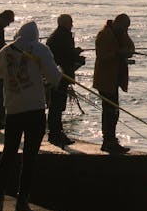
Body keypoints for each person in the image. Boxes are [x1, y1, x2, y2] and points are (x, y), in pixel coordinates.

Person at [0, 20, 64, 211]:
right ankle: (21, 202)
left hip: (13, 109)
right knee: (29, 157)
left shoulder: (6, 50)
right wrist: (58, 74)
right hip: (34, 110)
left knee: (8, 154)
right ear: (36, 36)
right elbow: (54, 78)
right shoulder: (41, 49)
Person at [93, 13, 134, 154]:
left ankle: (109, 140)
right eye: (124, 27)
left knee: (114, 111)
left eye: (127, 28)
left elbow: (131, 47)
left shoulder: (121, 34)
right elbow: (102, 55)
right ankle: (108, 141)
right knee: (110, 110)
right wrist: (118, 53)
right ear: (117, 23)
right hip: (105, 79)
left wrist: (126, 49)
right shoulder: (104, 35)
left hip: (115, 78)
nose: (125, 30)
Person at [46, 14, 85, 148]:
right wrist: (76, 54)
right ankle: (55, 133)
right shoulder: (63, 36)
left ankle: (56, 132)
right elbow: (65, 55)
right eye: (70, 22)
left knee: (56, 105)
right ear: (65, 23)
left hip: (57, 74)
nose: (72, 24)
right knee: (57, 105)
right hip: (60, 76)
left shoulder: (56, 36)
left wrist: (75, 54)